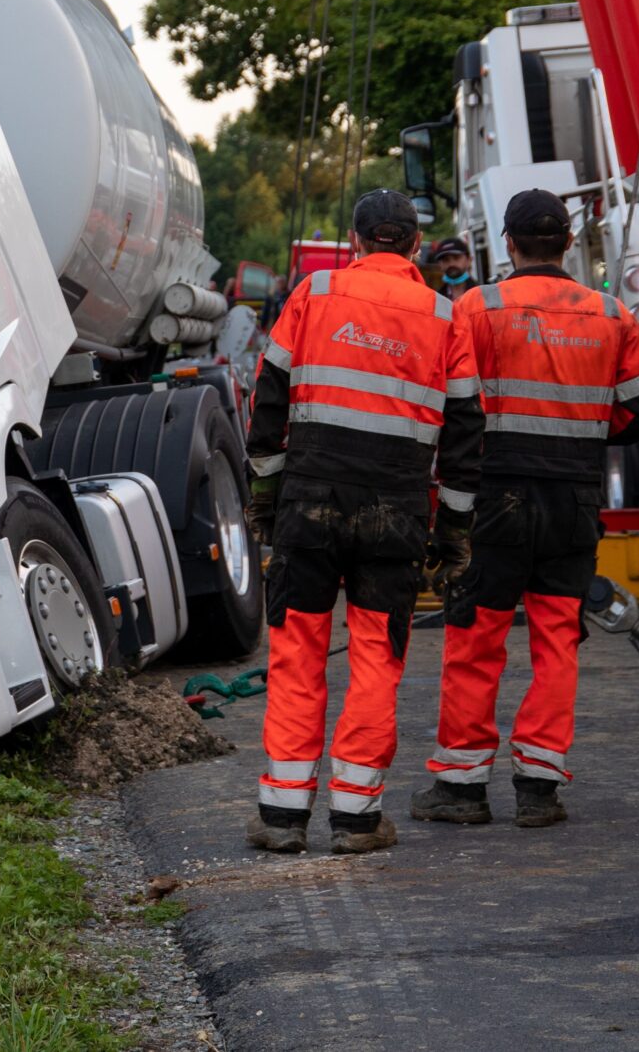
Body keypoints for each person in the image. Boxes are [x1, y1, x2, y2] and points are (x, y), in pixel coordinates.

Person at [412, 190, 639, 830]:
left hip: (495, 496)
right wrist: (584, 431)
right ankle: (539, 789)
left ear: (509, 242)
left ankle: (463, 789)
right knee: (558, 639)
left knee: (475, 637)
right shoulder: (610, 314)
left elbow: (445, 397)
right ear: (568, 242)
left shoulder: (476, 307)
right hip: (574, 498)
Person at [242, 190, 455, 856]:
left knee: (298, 647)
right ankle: (357, 819)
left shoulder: (314, 293)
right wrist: (453, 529)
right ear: (416, 246)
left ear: (356, 241)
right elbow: (469, 427)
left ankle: (282, 815)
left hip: (311, 497)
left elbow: (267, 397)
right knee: (374, 654)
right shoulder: (445, 314)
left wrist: (267, 496)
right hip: (395, 507)